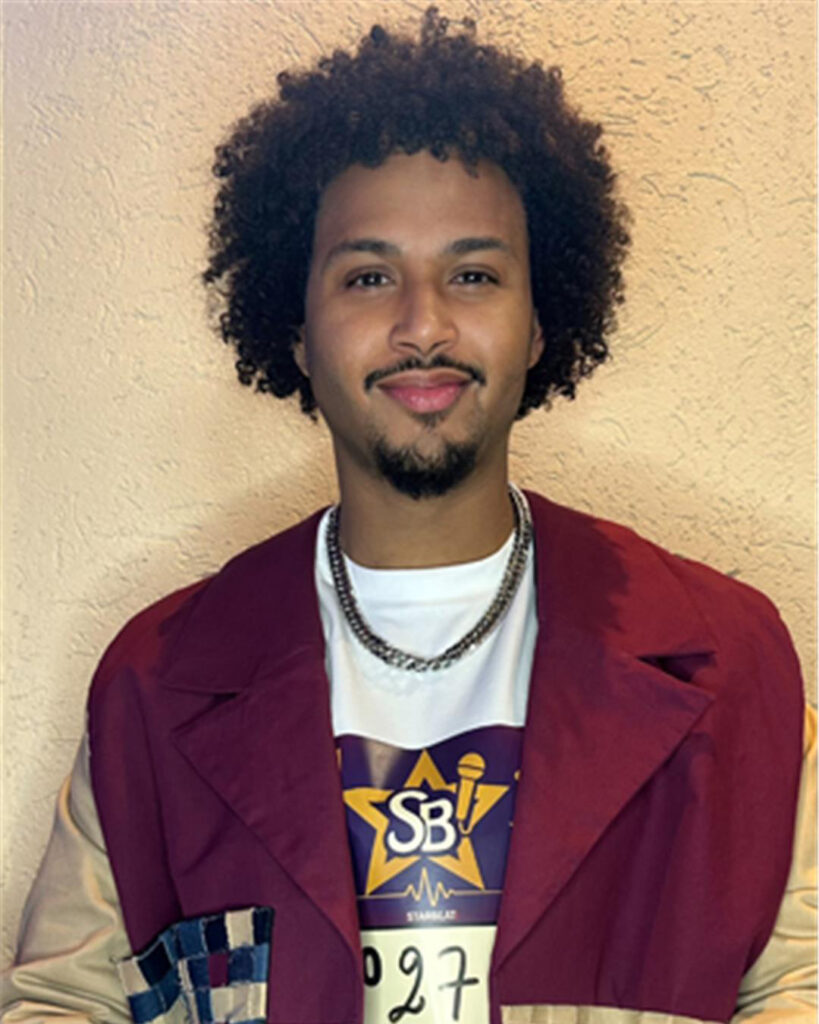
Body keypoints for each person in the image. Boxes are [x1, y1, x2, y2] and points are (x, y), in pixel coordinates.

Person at [3, 8, 815, 1024]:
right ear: (296, 331)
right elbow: (63, 1001)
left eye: (473, 274)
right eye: (369, 276)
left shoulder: (730, 662)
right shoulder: (154, 684)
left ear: (539, 323)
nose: (423, 324)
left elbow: (800, 988)